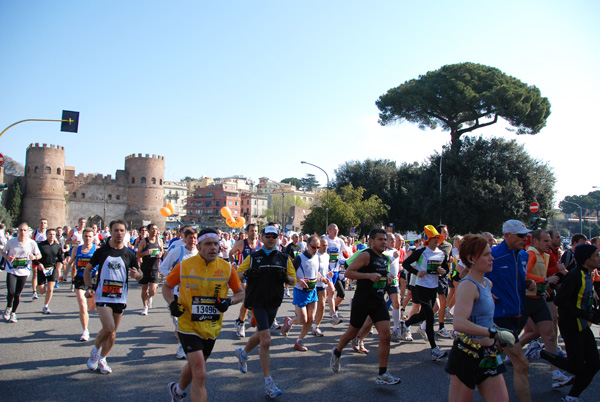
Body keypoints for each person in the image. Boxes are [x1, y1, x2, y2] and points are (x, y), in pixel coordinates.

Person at [163, 228, 244, 402]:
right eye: (208, 244)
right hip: (188, 325)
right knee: (200, 373)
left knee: (195, 367)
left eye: (216, 244)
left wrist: (229, 302)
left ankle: (177, 390)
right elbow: (167, 287)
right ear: (199, 246)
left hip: (212, 327)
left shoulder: (226, 268)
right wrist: (172, 304)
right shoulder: (185, 265)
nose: (213, 248)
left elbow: (240, 293)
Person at [445, 234, 514, 402]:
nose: (492, 258)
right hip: (467, 354)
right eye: (486, 255)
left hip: (489, 354)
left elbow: (484, 318)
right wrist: (492, 332)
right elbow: (459, 323)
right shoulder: (467, 285)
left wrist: (496, 330)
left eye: (490, 253)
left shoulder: (487, 283)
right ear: (471, 258)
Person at [329, 228, 401, 385]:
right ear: (371, 241)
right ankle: (337, 352)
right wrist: (368, 276)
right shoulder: (366, 255)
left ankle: (382, 373)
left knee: (386, 335)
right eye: (380, 239)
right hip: (362, 301)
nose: (383, 242)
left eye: (384, 239)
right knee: (351, 333)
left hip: (378, 301)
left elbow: (380, 276)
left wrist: (386, 278)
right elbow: (348, 273)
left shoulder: (385, 259)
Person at [235, 225, 296, 399]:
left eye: (274, 236)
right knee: (266, 340)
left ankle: (243, 353)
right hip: (258, 302)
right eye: (268, 235)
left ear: (278, 238)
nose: (271, 238)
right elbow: (237, 276)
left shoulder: (284, 258)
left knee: (260, 334)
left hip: (274, 302)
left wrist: (285, 277)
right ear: (262, 237)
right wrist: (247, 272)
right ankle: (269, 382)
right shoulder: (254, 257)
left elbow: (293, 280)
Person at [540, 244, 600, 402]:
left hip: (583, 325)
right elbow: (560, 300)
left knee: (594, 364)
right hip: (571, 326)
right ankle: (540, 352)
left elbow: (584, 299)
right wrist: (585, 314)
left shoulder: (588, 274)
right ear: (587, 260)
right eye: (597, 255)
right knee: (577, 367)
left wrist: (592, 312)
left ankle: (572, 397)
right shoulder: (574, 275)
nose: (599, 257)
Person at [84, 220, 142, 374]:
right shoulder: (102, 251)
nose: (119, 233)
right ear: (110, 231)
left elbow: (140, 274)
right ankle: (95, 351)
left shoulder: (129, 254)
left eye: (122, 230)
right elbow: (88, 270)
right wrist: (89, 287)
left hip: (120, 298)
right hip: (103, 296)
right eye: (116, 230)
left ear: (126, 232)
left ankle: (103, 358)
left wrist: (137, 275)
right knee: (108, 327)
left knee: (113, 333)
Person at [485, 219, 534, 402]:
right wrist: (486, 290)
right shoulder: (492, 254)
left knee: (491, 360)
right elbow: (467, 275)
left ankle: (462, 379)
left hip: (517, 313)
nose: (525, 238)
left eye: (526, 235)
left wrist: (527, 282)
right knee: (522, 363)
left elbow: (516, 279)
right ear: (507, 236)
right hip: (499, 316)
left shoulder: (523, 256)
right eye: (521, 235)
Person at [517, 230, 572, 388]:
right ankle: (494, 359)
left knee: (549, 334)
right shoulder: (531, 254)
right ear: (535, 241)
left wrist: (546, 287)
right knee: (511, 336)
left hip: (539, 299)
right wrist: (545, 280)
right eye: (545, 241)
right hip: (526, 299)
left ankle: (556, 375)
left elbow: (542, 277)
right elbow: (524, 274)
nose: (548, 244)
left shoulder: (545, 255)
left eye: (549, 241)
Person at [401, 225, 450, 361]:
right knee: (429, 315)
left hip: (433, 287)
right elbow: (405, 264)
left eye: (438, 238)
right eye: (434, 238)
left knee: (423, 314)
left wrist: (443, 272)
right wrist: (417, 272)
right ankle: (434, 349)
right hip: (421, 287)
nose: (437, 240)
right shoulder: (421, 252)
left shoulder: (441, 254)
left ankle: (405, 324)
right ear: (428, 240)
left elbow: (447, 269)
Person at [159, 227, 199, 359]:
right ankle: (181, 346)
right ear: (184, 238)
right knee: (179, 321)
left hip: (194, 294)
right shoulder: (177, 252)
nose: (192, 240)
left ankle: (186, 345)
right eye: (189, 237)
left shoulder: (200, 254)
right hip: (178, 293)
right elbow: (163, 267)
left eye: (194, 237)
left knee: (191, 322)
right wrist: (173, 277)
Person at [281, 235, 324, 351]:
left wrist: (322, 278)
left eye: (317, 247)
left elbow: (316, 272)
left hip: (312, 291)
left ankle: (299, 341)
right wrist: (299, 281)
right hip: (300, 291)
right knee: (302, 319)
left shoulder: (317, 257)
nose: (315, 250)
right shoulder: (300, 258)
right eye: (313, 247)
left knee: (310, 319)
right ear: (307, 246)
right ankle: (289, 321)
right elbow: (290, 274)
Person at [3, 222, 42, 323]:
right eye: (21, 230)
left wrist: (34, 257)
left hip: (24, 271)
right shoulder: (12, 241)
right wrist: (7, 257)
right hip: (11, 269)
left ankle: (13, 313)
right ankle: (8, 308)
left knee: (17, 294)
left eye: (25, 230)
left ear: (28, 232)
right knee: (11, 292)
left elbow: (39, 255)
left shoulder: (32, 243)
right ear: (18, 231)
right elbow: (3, 251)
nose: (23, 232)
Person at [229, 223, 261, 338]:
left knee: (252, 300)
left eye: (256, 231)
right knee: (247, 297)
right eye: (252, 231)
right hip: (242, 275)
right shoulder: (241, 244)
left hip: (255, 276)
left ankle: (241, 319)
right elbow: (230, 253)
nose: (254, 233)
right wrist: (234, 263)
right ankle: (241, 323)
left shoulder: (260, 245)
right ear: (247, 232)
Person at [69, 227, 97, 341]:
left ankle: (91, 305)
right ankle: (85, 330)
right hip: (80, 278)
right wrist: (64, 274)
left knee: (91, 307)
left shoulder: (96, 249)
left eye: (90, 236)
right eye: (86, 236)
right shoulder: (77, 249)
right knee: (82, 304)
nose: (88, 238)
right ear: (83, 237)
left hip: (92, 279)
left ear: (93, 237)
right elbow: (70, 262)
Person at [34, 228, 65, 314]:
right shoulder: (40, 245)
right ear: (46, 235)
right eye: (50, 234)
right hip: (42, 269)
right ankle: (38, 288)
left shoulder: (57, 246)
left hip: (52, 269)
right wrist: (38, 263)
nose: (52, 236)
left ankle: (46, 306)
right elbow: (34, 258)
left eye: (53, 235)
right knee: (42, 291)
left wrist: (63, 261)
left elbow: (60, 256)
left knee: (50, 289)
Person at [136, 223, 164, 316]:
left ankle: (149, 297)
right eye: (152, 229)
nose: (155, 231)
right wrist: (145, 253)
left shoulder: (159, 241)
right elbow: (137, 255)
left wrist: (160, 254)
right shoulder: (144, 242)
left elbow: (162, 250)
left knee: (153, 290)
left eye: (156, 229)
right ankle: (145, 307)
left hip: (155, 268)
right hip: (145, 268)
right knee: (144, 288)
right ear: (148, 231)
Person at [325, 224, 349, 325]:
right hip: (326, 271)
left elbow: (347, 252)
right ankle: (334, 315)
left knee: (326, 295)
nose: (336, 232)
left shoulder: (340, 241)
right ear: (329, 230)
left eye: (337, 230)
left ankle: (324, 310)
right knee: (331, 291)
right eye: (334, 230)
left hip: (336, 271)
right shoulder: (324, 240)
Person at [310, 236, 331, 337]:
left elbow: (325, 269)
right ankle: (292, 323)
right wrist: (321, 277)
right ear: (319, 246)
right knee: (310, 309)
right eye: (323, 245)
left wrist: (328, 274)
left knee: (322, 306)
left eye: (327, 245)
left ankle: (316, 327)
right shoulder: (314, 255)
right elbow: (315, 270)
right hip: (312, 284)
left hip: (322, 284)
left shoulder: (327, 256)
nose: (325, 247)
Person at [31, 218, 48, 296]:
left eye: (44, 223)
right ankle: (34, 291)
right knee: (35, 272)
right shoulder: (34, 233)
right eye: (41, 223)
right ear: (38, 224)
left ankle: (42, 285)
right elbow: (30, 242)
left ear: (46, 225)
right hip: (36, 255)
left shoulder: (48, 233)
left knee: (44, 272)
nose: (43, 224)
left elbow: (55, 242)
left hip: (45, 256)